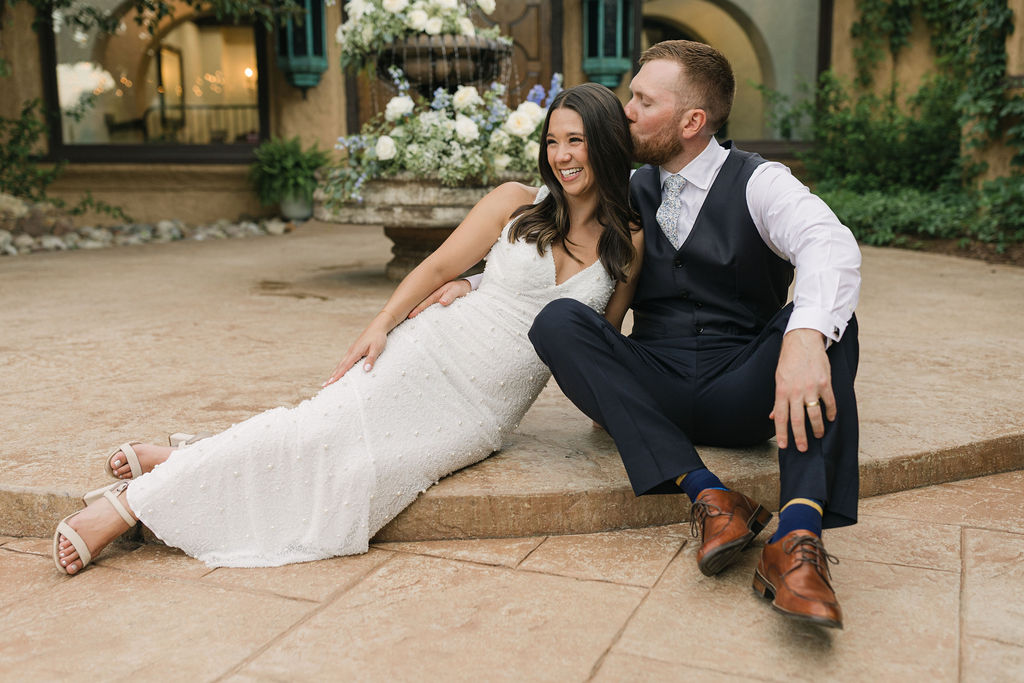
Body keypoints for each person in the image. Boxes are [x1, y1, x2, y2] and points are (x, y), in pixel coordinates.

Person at [52, 82, 643, 574]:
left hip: (485, 409)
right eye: (554, 141)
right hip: (436, 349)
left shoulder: (629, 244)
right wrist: (381, 325)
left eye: (578, 141)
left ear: (608, 146)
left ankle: (183, 457)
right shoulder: (517, 201)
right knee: (316, 430)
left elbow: (598, 343)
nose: (563, 155)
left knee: (364, 472)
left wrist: (614, 409)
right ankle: (127, 507)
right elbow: (439, 265)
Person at [432, 41, 862, 630]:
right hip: (653, 382)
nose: (625, 110)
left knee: (826, 322)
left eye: (642, 100)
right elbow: (555, 250)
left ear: (692, 122)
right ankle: (712, 497)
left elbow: (828, 242)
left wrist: (806, 338)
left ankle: (797, 540)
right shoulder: (627, 186)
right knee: (557, 320)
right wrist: (478, 286)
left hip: (743, 391)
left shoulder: (760, 183)